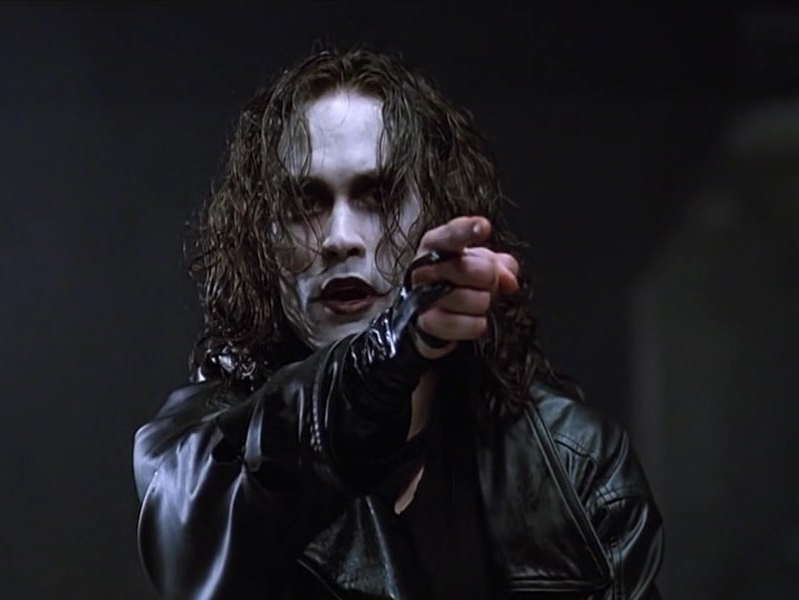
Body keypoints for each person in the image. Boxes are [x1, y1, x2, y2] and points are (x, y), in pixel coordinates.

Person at [133, 48, 663, 600]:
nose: (340, 237)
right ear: (262, 240)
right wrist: (390, 351)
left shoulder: (576, 470)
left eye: (378, 197)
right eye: (306, 204)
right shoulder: (206, 451)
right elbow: (195, 530)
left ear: (435, 215)